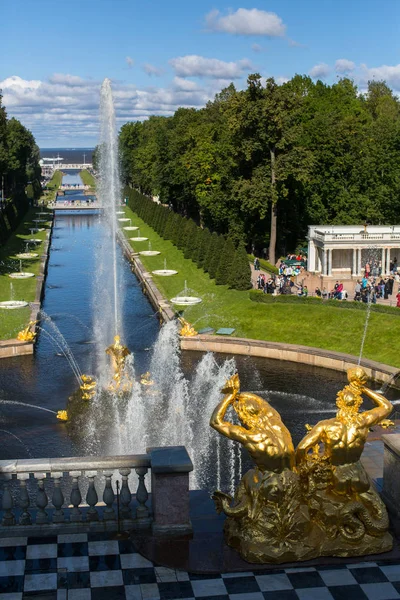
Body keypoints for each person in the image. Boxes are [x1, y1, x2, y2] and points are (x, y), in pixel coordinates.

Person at [210, 373, 294, 473]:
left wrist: (230, 395)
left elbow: (215, 422)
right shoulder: (274, 419)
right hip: (294, 477)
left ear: (243, 418)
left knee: (250, 475)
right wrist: (238, 394)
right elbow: (261, 401)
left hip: (274, 482)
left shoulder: (252, 436)